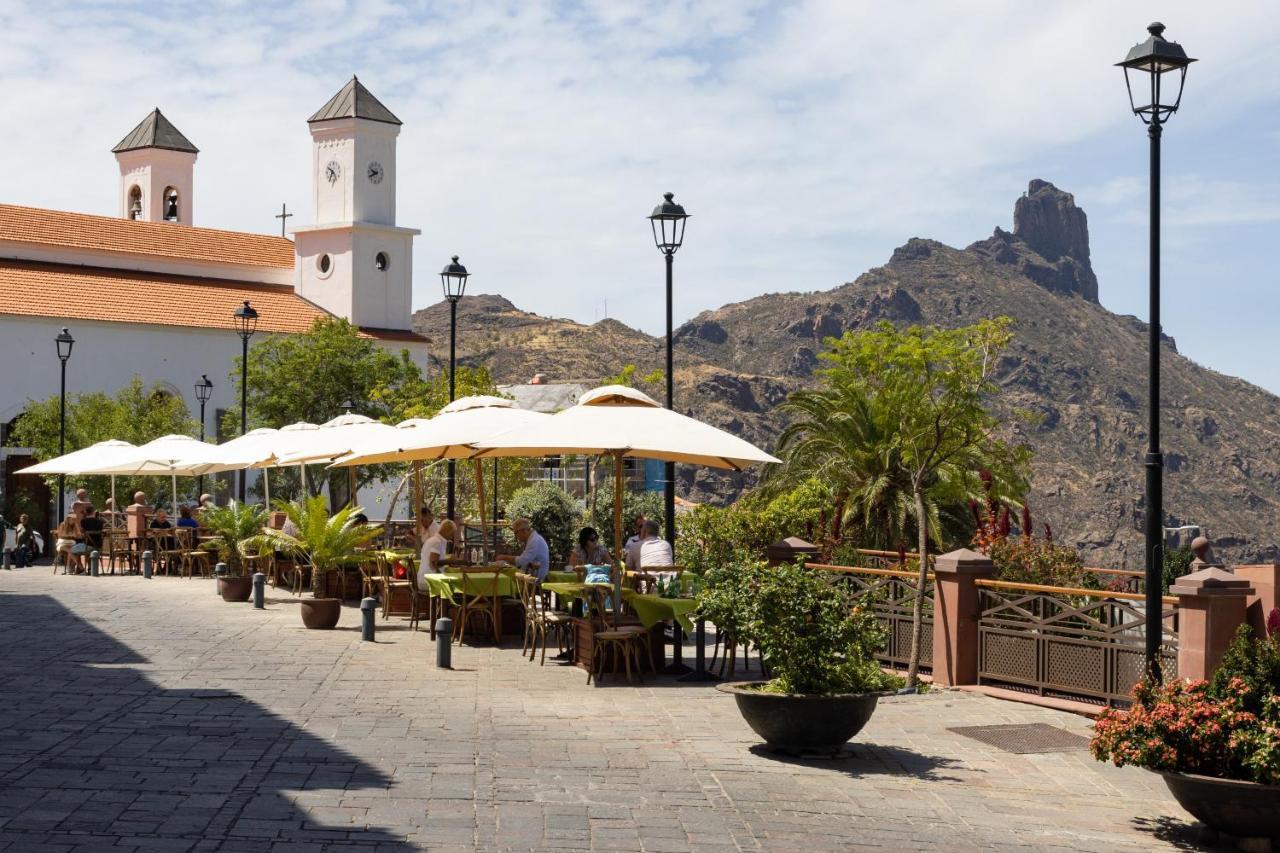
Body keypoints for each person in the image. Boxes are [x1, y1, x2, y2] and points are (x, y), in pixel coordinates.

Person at [498, 517, 550, 581]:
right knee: (506, 571)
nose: (516, 536)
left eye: (515, 533)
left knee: (503, 574)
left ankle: (506, 591)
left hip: (534, 578)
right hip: (531, 574)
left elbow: (522, 561)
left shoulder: (534, 541)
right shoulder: (533, 539)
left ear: (523, 530)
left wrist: (504, 557)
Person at [418, 519, 457, 587]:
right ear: (447, 531)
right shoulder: (437, 542)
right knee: (455, 586)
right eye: (452, 533)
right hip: (428, 581)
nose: (452, 536)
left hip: (425, 578)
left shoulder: (435, 540)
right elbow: (433, 564)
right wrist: (449, 561)